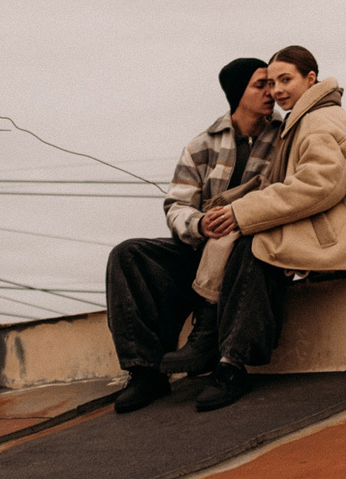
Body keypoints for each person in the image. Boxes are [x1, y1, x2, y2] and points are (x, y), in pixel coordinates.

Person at [191, 45, 346, 412]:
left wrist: (242, 213)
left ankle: (231, 361)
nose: (277, 90)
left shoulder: (319, 121)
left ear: (311, 78)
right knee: (251, 237)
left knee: (259, 244)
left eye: (286, 79)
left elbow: (318, 186)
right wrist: (231, 206)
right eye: (271, 82)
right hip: (336, 225)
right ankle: (215, 342)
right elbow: (281, 183)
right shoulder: (307, 118)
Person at [104, 57, 279, 413]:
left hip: (252, 250)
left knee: (248, 246)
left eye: (273, 84)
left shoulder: (286, 137)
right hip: (202, 249)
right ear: (237, 93)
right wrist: (200, 224)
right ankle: (145, 372)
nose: (271, 92)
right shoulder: (203, 144)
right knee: (128, 255)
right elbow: (177, 205)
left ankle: (230, 364)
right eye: (260, 85)